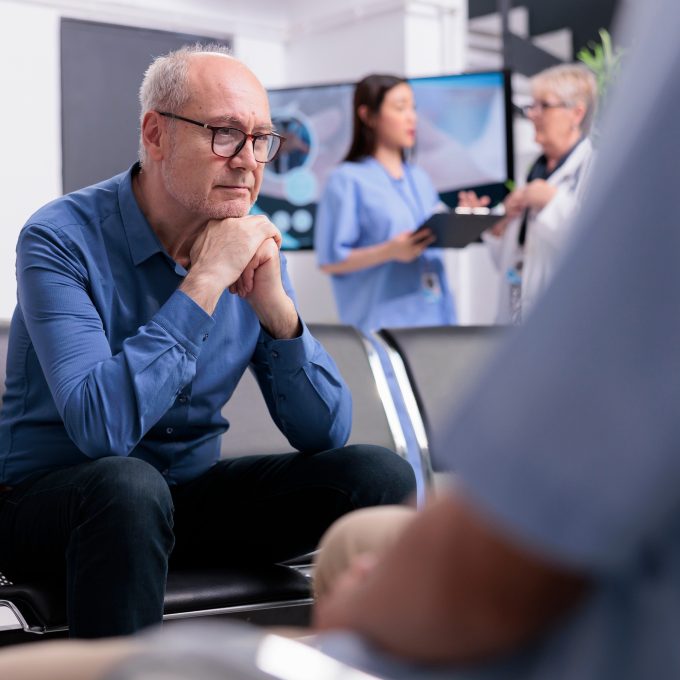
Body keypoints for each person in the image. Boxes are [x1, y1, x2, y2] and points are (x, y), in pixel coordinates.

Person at [0, 45, 415, 639]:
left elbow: (324, 432)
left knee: (378, 475)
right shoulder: (59, 237)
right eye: (225, 134)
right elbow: (101, 429)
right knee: (127, 485)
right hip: (55, 505)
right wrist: (204, 282)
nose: (249, 160)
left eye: (262, 139)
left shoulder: (249, 241)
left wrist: (277, 311)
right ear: (156, 133)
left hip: (183, 501)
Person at [315, 74, 457, 334]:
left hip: (438, 320)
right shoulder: (346, 180)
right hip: (384, 329)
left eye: (413, 108)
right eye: (400, 108)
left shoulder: (419, 177)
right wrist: (389, 251)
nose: (412, 117)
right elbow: (330, 260)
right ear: (368, 115)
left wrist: (464, 217)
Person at [459, 63, 597, 324]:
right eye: (531, 106)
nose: (532, 114)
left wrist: (551, 202)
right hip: (514, 320)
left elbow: (597, 248)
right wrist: (496, 228)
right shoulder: (532, 171)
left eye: (543, 106)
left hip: (566, 322)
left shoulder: (595, 170)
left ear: (576, 113)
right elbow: (510, 263)